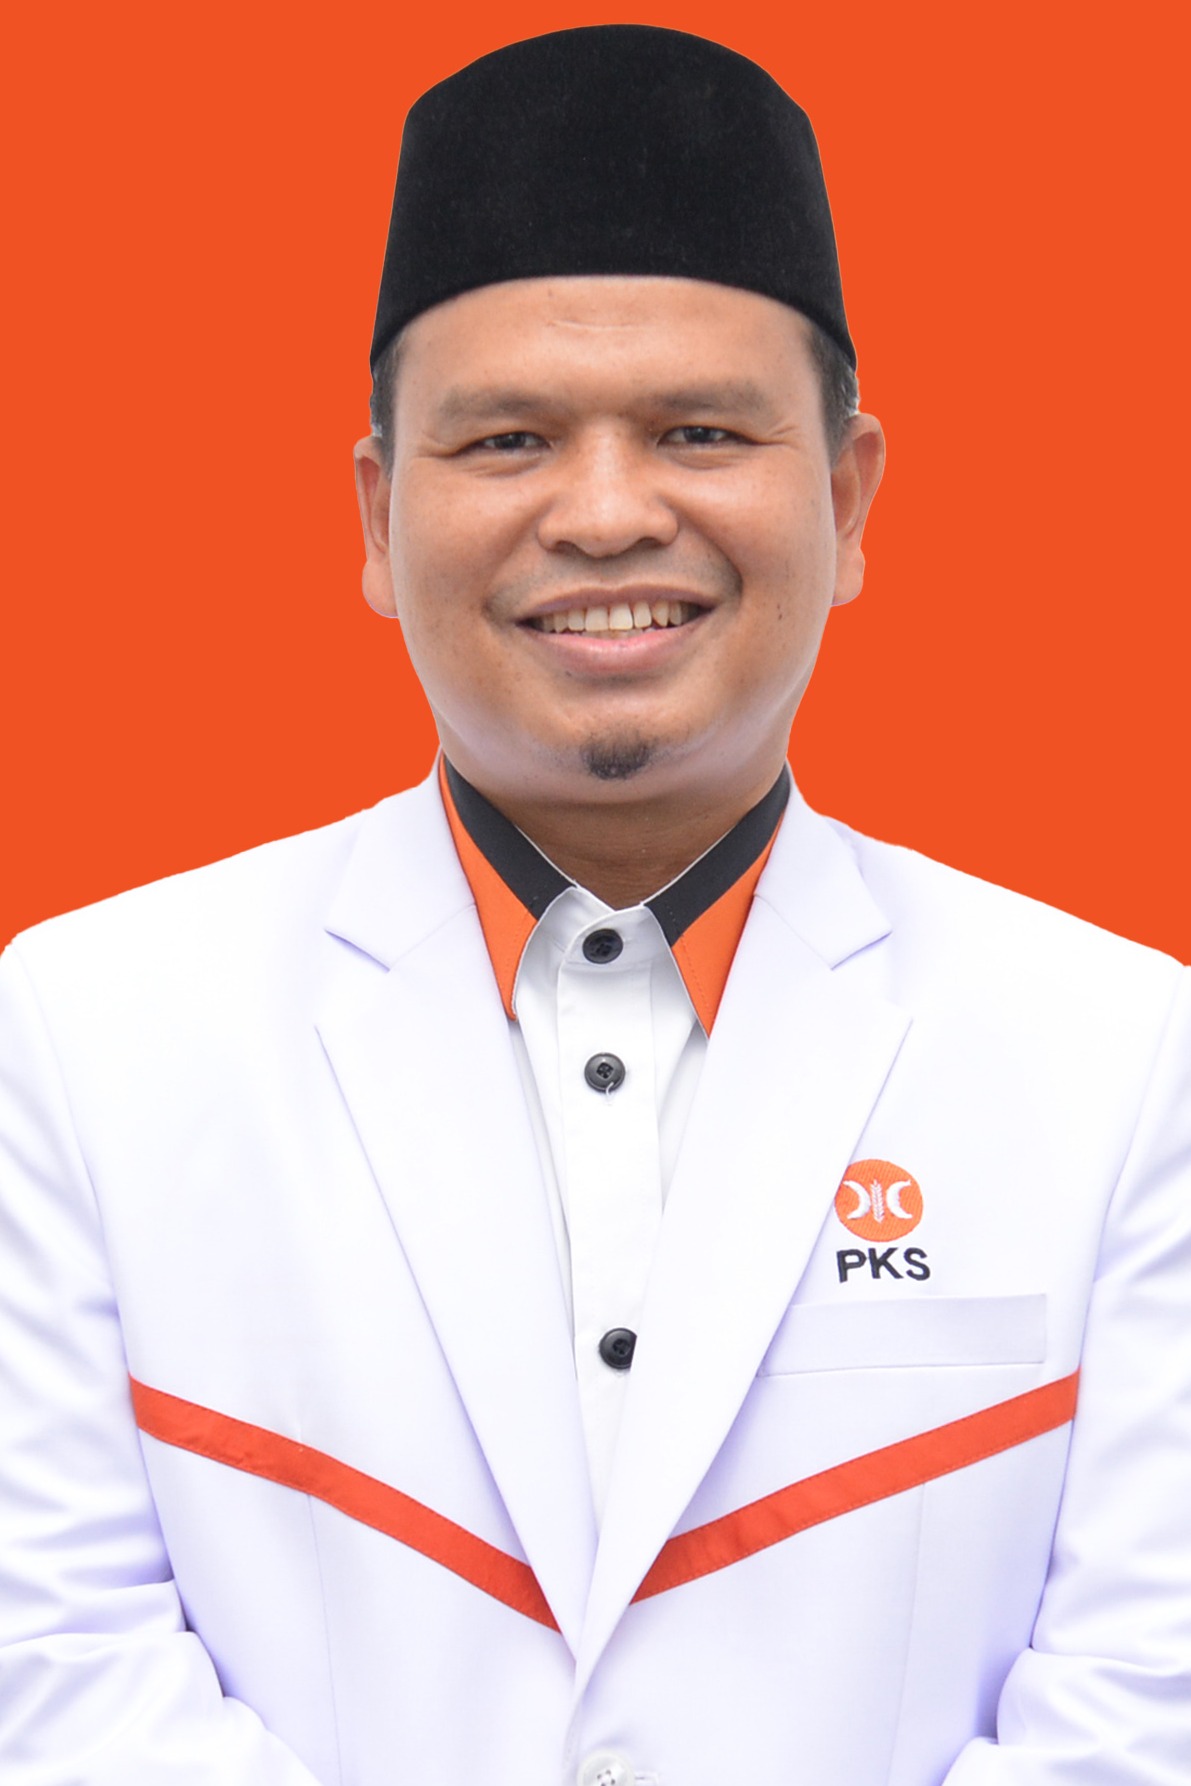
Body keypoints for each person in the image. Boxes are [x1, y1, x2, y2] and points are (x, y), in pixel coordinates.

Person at [1, 23, 1188, 1785]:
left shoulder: (1125, 1052)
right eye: (507, 439)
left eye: (700, 429)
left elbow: (1147, 1696)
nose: (610, 512)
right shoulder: (86, 1031)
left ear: (848, 497)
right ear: (378, 512)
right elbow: (54, 1665)